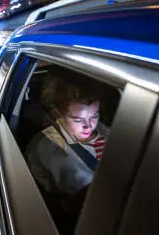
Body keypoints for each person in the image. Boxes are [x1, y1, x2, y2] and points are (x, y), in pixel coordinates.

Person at [26, 68, 110, 201]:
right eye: (78, 119)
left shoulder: (109, 132)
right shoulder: (45, 149)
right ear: (58, 113)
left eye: (94, 116)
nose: (88, 125)